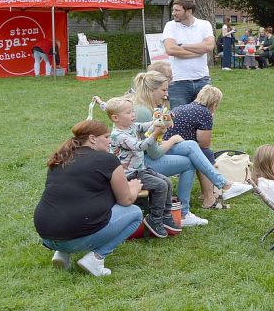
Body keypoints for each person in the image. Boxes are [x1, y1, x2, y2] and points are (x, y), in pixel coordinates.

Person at [132, 71, 247, 224]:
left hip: (145, 155)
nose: (166, 95)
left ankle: (224, 185)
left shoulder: (148, 107)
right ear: (151, 90)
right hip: (141, 165)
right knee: (189, 162)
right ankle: (184, 213)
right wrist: (173, 139)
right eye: (164, 90)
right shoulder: (144, 112)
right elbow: (154, 153)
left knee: (191, 145)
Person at [34, 120, 144, 277]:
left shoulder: (60, 158)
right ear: (92, 138)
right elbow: (125, 200)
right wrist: (134, 188)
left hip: (46, 236)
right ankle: (96, 258)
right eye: (106, 137)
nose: (110, 141)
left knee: (70, 204)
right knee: (135, 213)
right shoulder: (108, 160)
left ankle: (61, 253)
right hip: (74, 237)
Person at [104, 97, 180, 238]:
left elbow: (149, 125)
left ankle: (166, 215)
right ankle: (154, 218)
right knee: (160, 186)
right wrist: (155, 134)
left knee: (167, 182)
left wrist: (163, 119)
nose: (133, 114)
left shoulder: (131, 126)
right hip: (129, 174)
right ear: (115, 118)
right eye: (128, 113)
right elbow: (140, 146)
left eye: (133, 111)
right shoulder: (118, 135)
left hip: (140, 169)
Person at [162, 0, 215, 108]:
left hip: (202, 80)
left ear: (189, 11)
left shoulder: (204, 25)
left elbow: (209, 46)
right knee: (179, 121)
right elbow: (170, 49)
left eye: (177, 10)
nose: (173, 13)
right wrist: (199, 51)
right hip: (178, 82)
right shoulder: (170, 26)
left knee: (203, 118)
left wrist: (183, 46)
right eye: (173, 10)